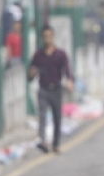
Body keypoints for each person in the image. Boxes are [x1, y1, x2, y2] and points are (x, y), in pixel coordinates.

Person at [28, 25, 74, 154]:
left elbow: (67, 69)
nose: (47, 39)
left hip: (56, 89)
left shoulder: (60, 54)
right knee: (42, 115)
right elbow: (30, 74)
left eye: (49, 36)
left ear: (53, 37)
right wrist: (32, 73)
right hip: (43, 89)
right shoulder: (38, 55)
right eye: (45, 36)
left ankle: (56, 143)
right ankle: (43, 141)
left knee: (57, 117)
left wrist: (69, 80)